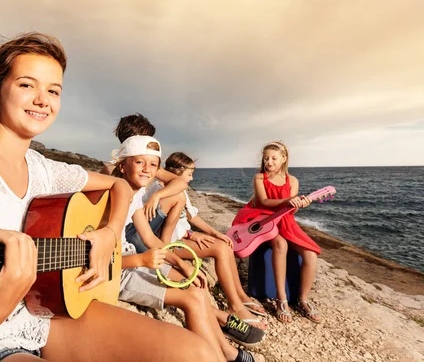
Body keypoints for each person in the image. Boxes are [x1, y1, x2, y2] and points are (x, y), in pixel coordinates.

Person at [0, 33, 220, 362]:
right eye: (27, 84)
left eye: (53, 90)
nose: (42, 100)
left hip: (39, 313)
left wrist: (109, 233)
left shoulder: (45, 169)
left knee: (195, 353)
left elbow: (119, 187)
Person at [113, 135, 262, 362]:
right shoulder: (113, 196)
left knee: (197, 289)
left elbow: (152, 241)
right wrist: (142, 261)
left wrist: (183, 264)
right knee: (192, 299)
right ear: (122, 165)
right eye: (139, 162)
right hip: (120, 272)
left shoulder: (133, 200)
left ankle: (229, 353)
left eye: (153, 164)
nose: (147, 169)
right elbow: (103, 258)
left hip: (134, 259)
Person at [157, 152, 268, 330]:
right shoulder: (164, 191)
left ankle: (241, 296)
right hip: (171, 243)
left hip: (182, 237)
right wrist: (191, 235)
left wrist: (216, 233)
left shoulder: (180, 190)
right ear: (176, 172)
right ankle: (235, 306)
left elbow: (192, 216)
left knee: (225, 244)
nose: (192, 179)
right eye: (189, 174)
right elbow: (167, 227)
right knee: (221, 249)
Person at [232, 141, 321, 324]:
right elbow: (264, 201)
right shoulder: (259, 178)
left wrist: (298, 203)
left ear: (284, 159)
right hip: (262, 217)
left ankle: (303, 300)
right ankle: (282, 299)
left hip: (284, 220)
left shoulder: (293, 181)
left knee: (311, 254)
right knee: (281, 244)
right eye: (266, 158)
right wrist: (289, 200)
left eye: (273, 158)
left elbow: (291, 211)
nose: (269, 162)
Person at [101, 113, 189, 246]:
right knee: (179, 197)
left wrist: (157, 195)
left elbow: (180, 183)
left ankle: (165, 245)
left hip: (138, 221)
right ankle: (164, 246)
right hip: (124, 231)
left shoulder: (142, 164)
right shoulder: (113, 169)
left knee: (178, 195)